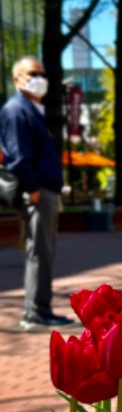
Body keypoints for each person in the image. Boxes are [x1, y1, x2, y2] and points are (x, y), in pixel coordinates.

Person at [0, 56, 73, 331]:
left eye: (43, 73)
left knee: (44, 252)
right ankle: (35, 312)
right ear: (17, 79)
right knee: (39, 253)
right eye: (33, 73)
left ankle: (40, 309)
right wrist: (32, 190)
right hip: (38, 192)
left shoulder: (30, 109)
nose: (40, 78)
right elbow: (18, 157)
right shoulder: (16, 110)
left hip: (44, 191)